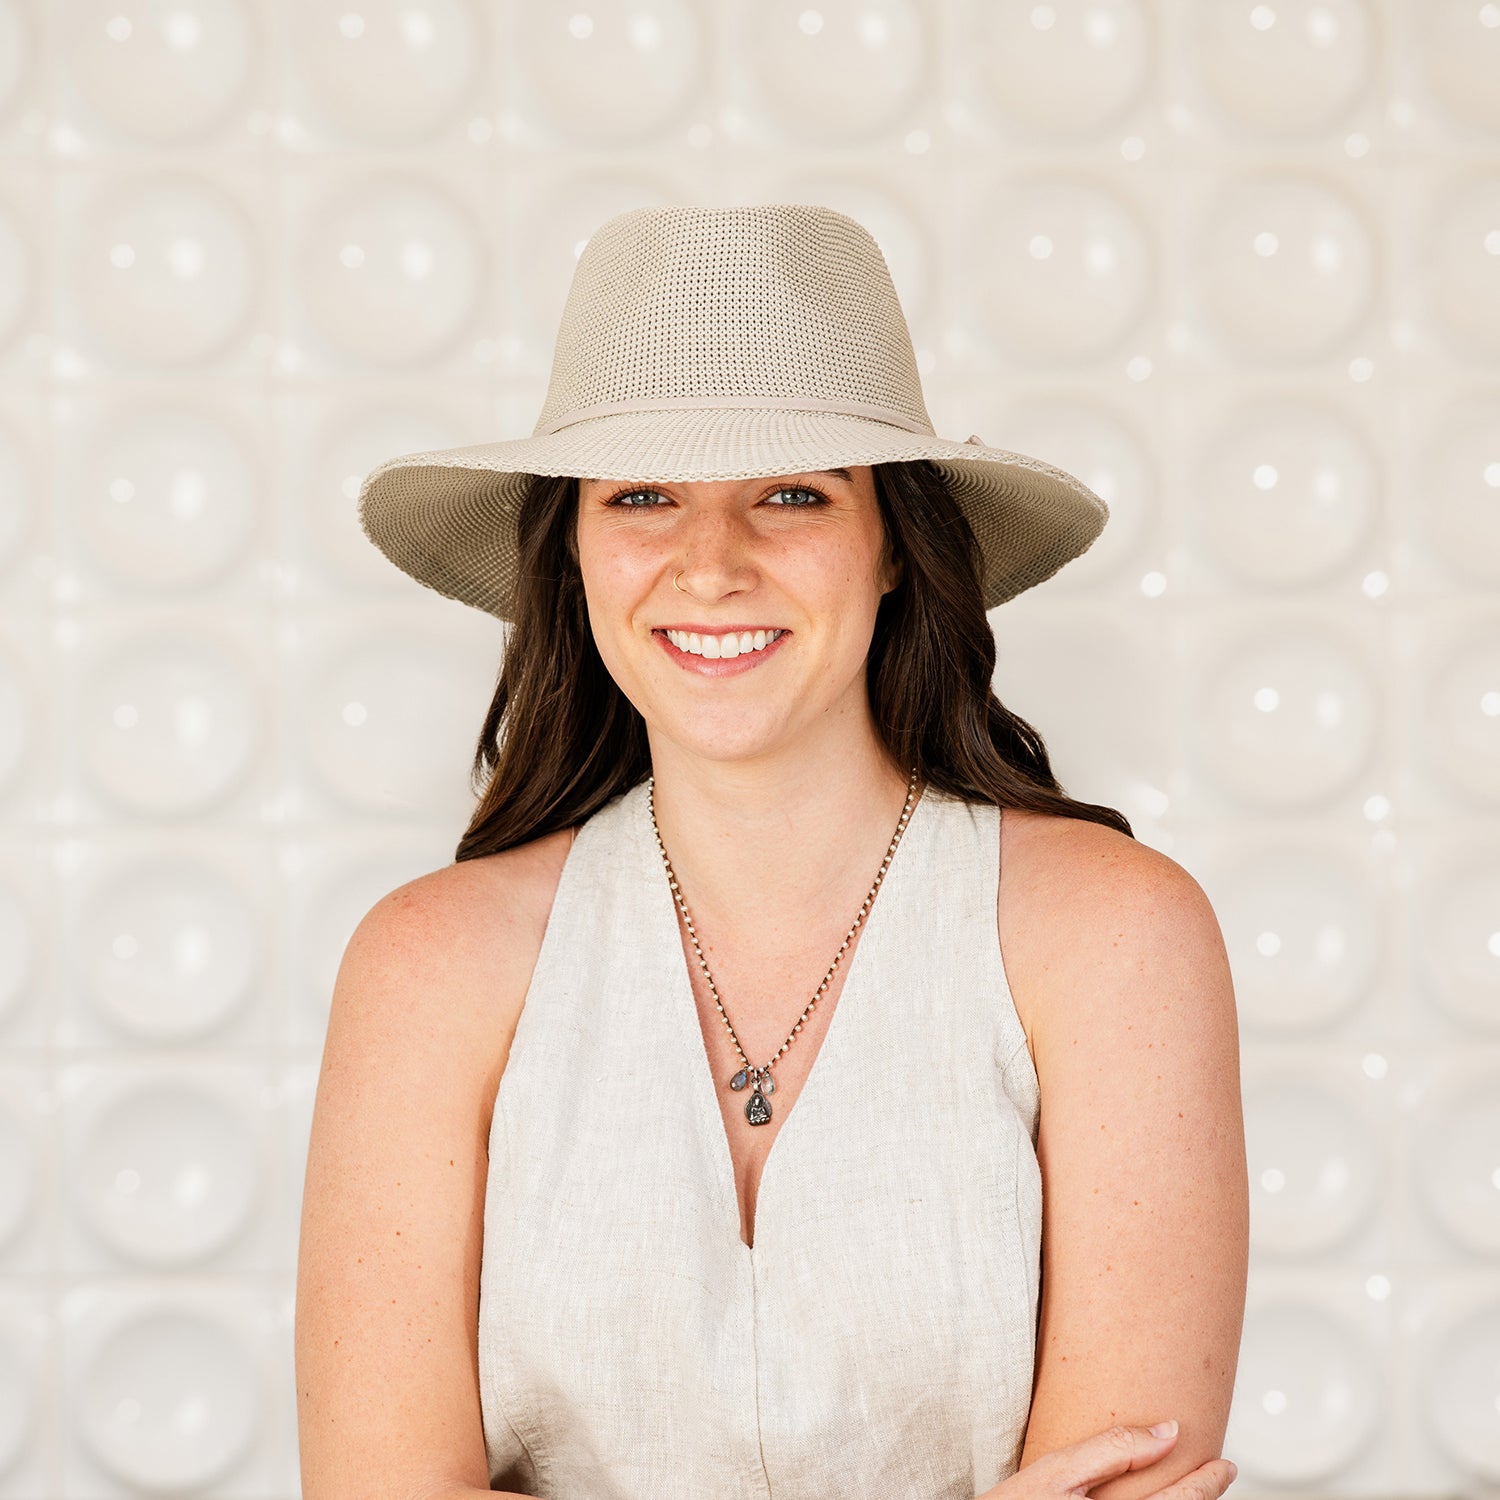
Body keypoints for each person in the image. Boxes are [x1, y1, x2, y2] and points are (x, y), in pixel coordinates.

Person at [295, 203, 1248, 1500]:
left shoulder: (1113, 942)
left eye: (792, 492)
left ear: (897, 546)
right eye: (642, 496)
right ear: (571, 552)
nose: (711, 565)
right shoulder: (428, 967)